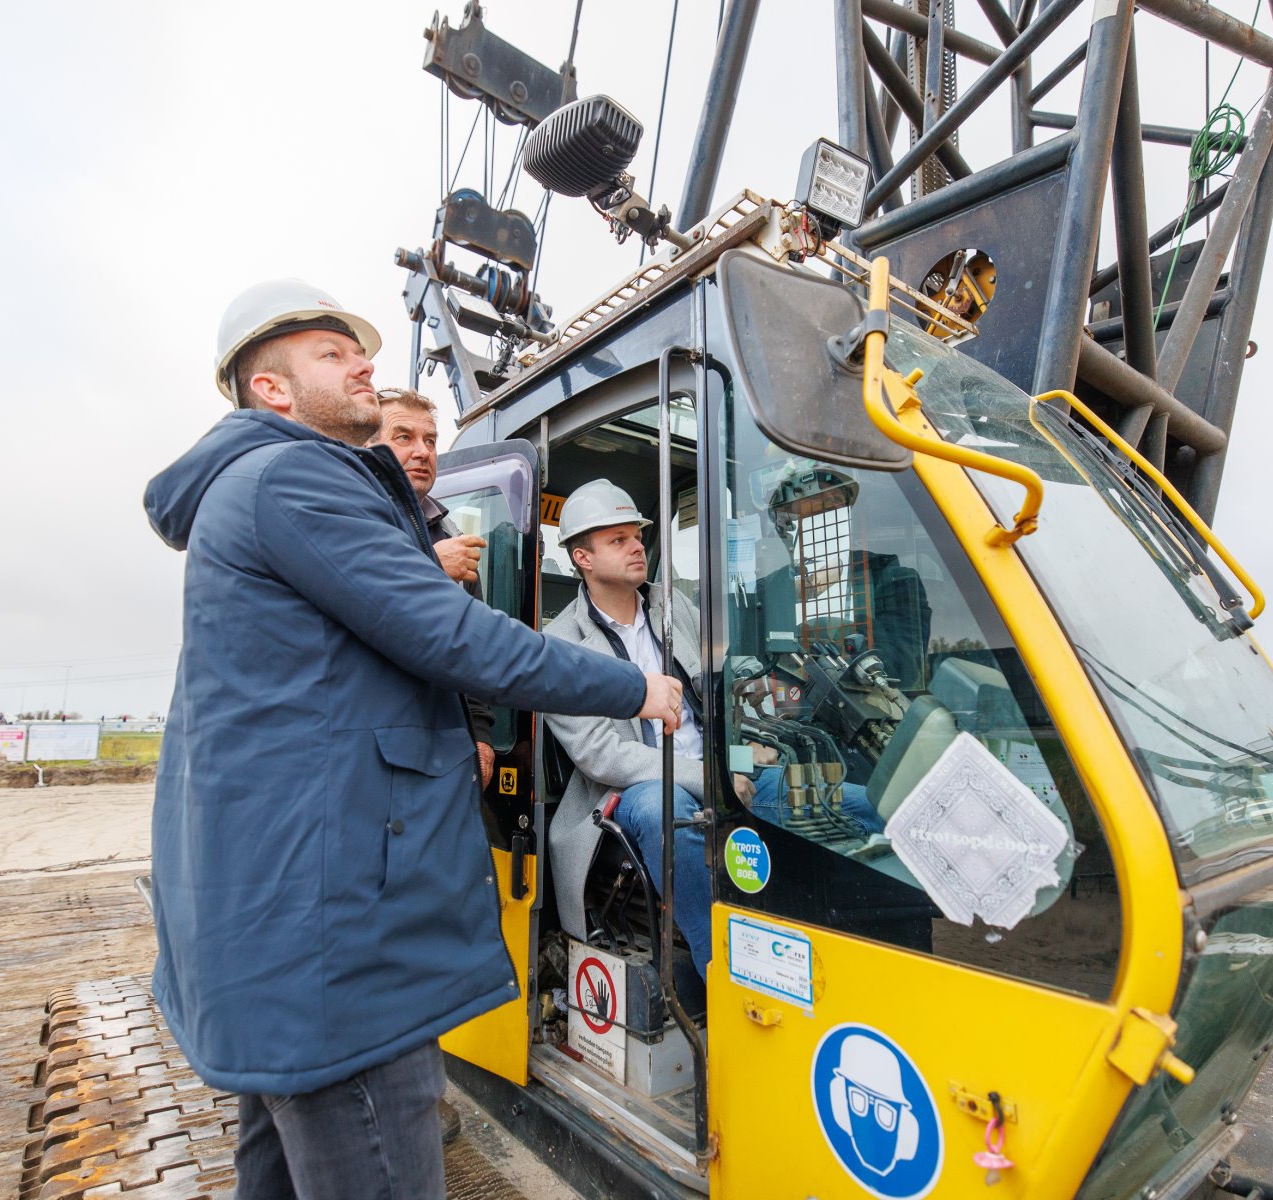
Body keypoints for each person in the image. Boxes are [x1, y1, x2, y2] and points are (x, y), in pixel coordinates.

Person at [143, 280, 684, 1200]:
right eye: (331, 353)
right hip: (336, 937)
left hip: (283, 928)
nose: (363, 363)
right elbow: (456, 638)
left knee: (273, 1175)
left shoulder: (252, 489)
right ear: (270, 389)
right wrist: (638, 688)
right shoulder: (294, 476)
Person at [543, 480, 886, 979]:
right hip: (628, 793)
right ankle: (721, 974)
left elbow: (725, 688)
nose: (637, 545)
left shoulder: (674, 608)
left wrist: (746, 747)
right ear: (583, 559)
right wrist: (708, 777)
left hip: (718, 770)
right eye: (617, 540)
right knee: (668, 809)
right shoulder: (560, 643)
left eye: (636, 534)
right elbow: (601, 757)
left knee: (857, 800)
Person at [372, 386, 495, 787]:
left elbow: (474, 645)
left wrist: (480, 733)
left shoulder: (449, 531)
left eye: (430, 440)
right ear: (368, 447)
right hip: (372, 743)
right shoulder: (353, 520)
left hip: (443, 742)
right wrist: (432, 566)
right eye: (403, 437)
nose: (422, 451)